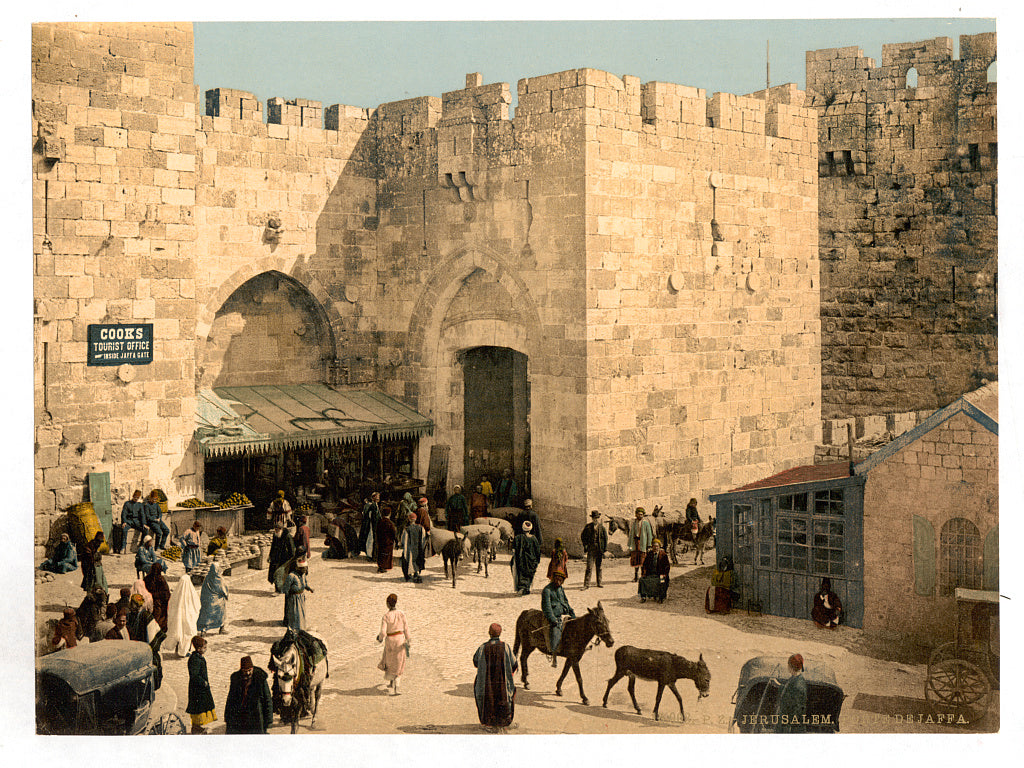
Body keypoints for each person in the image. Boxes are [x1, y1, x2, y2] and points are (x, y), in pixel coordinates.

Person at [473, 622, 518, 731]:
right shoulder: (505, 647)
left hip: (486, 682)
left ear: (489, 633)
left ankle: (487, 724)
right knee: (508, 694)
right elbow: (514, 664)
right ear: (500, 633)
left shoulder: (483, 647)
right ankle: (505, 723)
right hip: (502, 682)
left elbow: (475, 662)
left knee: (484, 695)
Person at [224, 656, 273, 734]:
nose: (247, 673)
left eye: (249, 670)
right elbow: (230, 699)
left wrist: (269, 719)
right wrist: (227, 717)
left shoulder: (260, 679)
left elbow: (267, 699)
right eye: (245, 671)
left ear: (252, 668)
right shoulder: (236, 679)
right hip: (240, 716)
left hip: (256, 716)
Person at [375, 593, 410, 695]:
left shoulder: (386, 616)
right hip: (400, 639)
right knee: (399, 662)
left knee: (390, 661)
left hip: (390, 640)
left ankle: (391, 682)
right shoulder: (401, 614)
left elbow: (383, 632)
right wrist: (408, 639)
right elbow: (406, 628)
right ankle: (396, 687)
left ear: (387, 604)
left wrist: (379, 639)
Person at [541, 569, 574, 666]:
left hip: (564, 613)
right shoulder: (547, 590)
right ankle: (554, 654)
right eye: (557, 580)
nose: (559, 582)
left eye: (561, 580)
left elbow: (566, 602)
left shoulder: (561, 589)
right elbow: (546, 607)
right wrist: (552, 619)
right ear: (553, 579)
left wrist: (572, 613)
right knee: (556, 633)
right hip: (554, 616)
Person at [186, 635, 217, 734]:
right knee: (198, 708)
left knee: (200, 707)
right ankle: (195, 728)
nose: (205, 649)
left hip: (200, 687)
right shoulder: (194, 659)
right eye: (204, 648)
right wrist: (203, 682)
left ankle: (197, 727)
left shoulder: (198, 657)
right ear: (198, 648)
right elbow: (194, 675)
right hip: (197, 688)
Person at [774, 654, 808, 733]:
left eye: (788, 665)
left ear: (791, 666)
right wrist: (779, 685)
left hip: (791, 727)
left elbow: (796, 710)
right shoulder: (796, 678)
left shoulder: (798, 685)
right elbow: (789, 689)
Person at [197, 561, 229, 636]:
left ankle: (203, 630)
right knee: (221, 614)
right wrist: (226, 595)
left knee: (206, 615)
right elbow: (223, 589)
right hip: (218, 600)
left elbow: (203, 589)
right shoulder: (219, 578)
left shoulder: (207, 577)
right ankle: (222, 628)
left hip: (208, 600)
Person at [510, 520, 541, 596]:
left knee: (520, 574)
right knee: (530, 574)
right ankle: (526, 588)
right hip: (531, 561)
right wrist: (537, 560)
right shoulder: (534, 539)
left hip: (520, 560)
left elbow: (513, 551)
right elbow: (537, 551)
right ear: (530, 529)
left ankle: (522, 588)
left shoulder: (517, 538)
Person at [283, 559, 313, 632]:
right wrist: (289, 601)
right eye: (303, 568)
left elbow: (304, 584)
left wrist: (309, 589)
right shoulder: (291, 576)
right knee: (294, 616)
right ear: (297, 568)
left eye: (305, 568)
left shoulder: (303, 575)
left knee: (301, 615)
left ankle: (301, 631)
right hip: (293, 599)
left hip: (301, 598)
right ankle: (293, 633)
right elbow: (285, 589)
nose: (305, 570)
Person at [580, 511, 607, 590]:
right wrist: (585, 545)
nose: (595, 519)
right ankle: (586, 585)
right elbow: (583, 536)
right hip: (591, 549)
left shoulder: (602, 528)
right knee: (589, 567)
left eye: (596, 518)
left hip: (599, 549)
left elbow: (605, 539)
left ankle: (599, 582)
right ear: (592, 518)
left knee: (599, 567)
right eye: (593, 518)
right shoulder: (588, 527)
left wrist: (604, 549)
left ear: (598, 518)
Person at [639, 539, 671, 603]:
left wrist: (664, 574)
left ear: (659, 547)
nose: (655, 548)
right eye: (654, 546)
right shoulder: (649, 554)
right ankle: (643, 597)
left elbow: (667, 566)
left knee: (662, 581)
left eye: (657, 546)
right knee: (642, 580)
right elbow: (644, 565)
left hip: (660, 574)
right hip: (650, 574)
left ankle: (661, 597)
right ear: (652, 547)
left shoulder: (663, 555)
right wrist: (644, 573)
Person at [627, 507, 654, 582]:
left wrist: (649, 545)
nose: (640, 516)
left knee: (643, 560)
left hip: (643, 543)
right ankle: (636, 577)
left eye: (641, 515)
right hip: (635, 543)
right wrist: (630, 544)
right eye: (639, 514)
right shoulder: (634, 523)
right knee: (635, 560)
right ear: (636, 514)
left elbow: (649, 535)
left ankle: (643, 576)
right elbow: (631, 534)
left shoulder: (646, 523)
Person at [267, 521, 295, 591]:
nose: (276, 531)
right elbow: (273, 546)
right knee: (274, 574)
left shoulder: (287, 536)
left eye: (278, 530)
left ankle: (279, 590)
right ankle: (278, 589)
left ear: (281, 529)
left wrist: (290, 559)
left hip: (284, 559)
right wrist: (269, 556)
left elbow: (292, 549)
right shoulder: (275, 535)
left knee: (280, 574)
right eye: (275, 529)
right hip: (275, 558)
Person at [144, 561, 172, 631]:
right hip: (158, 602)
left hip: (150, 600)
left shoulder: (147, 578)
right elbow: (166, 593)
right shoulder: (161, 579)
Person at [400, 511, 426, 583]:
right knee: (417, 560)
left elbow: (404, 540)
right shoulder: (421, 528)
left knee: (408, 561)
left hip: (410, 548)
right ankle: (416, 573)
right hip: (418, 548)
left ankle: (408, 575)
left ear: (409, 519)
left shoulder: (406, 529)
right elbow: (423, 539)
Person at [358, 492, 381, 561]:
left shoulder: (373, 505)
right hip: (371, 525)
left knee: (372, 540)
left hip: (372, 525)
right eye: (377, 498)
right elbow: (370, 516)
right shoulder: (371, 505)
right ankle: (370, 555)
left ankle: (371, 554)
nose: (378, 499)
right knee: (370, 540)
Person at [375, 506, 398, 573]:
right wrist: (396, 541)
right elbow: (394, 533)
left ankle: (380, 566)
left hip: (380, 541)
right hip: (388, 542)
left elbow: (376, 531)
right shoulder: (390, 523)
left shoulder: (380, 522)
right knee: (387, 555)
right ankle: (384, 567)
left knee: (381, 553)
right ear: (390, 514)